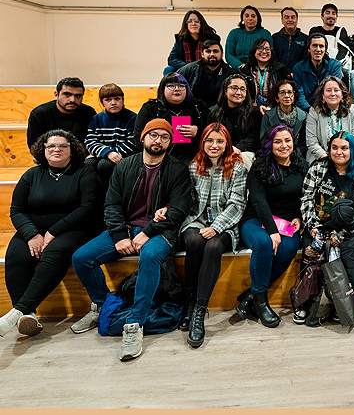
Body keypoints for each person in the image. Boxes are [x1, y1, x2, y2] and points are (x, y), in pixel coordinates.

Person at [70, 119, 191, 361]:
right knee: (82, 258)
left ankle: (135, 323)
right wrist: (119, 236)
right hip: (125, 228)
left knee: (149, 256)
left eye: (164, 137)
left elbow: (178, 210)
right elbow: (112, 204)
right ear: (143, 138)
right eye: (153, 135)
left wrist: (148, 231)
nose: (158, 140)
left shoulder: (177, 169)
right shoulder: (124, 166)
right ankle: (102, 306)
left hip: (161, 232)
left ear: (170, 142)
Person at [0, 130, 101, 338]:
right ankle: (29, 316)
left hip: (74, 228)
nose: (57, 149)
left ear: (71, 150)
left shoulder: (85, 173)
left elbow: (89, 208)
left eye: (63, 146)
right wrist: (31, 234)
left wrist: (53, 232)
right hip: (34, 230)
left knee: (55, 253)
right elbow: (17, 210)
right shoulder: (31, 175)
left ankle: (18, 311)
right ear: (43, 150)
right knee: (15, 256)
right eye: (51, 146)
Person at [178, 124, 248, 347]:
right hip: (196, 219)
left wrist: (217, 226)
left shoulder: (238, 168)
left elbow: (238, 203)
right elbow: (188, 201)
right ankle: (189, 300)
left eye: (219, 141)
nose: (214, 145)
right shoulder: (193, 166)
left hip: (226, 224)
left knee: (213, 246)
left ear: (227, 143)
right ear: (203, 143)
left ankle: (199, 310)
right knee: (194, 240)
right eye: (209, 141)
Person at [237, 126, 308, 328]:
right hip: (257, 219)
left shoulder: (301, 166)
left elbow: (303, 197)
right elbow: (259, 202)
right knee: (263, 243)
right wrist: (271, 231)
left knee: (290, 247)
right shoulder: (260, 167)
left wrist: (298, 217)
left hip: (286, 223)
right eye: (278, 141)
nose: (283, 145)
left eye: (287, 140)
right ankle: (261, 303)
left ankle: (251, 295)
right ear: (270, 144)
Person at [300, 131, 354, 325]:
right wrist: (314, 228)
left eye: (344, 148)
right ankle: (308, 303)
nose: (339, 152)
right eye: (335, 147)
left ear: (352, 150)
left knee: (346, 254)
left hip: (347, 230)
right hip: (318, 227)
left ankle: (340, 302)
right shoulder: (318, 169)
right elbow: (306, 199)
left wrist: (338, 235)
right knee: (311, 251)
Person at [134, 73, 207, 163]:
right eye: (171, 85)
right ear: (163, 89)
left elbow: (212, 132)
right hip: (157, 156)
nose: (177, 89)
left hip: (193, 157)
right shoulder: (151, 108)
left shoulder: (198, 107)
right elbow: (138, 136)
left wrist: (198, 131)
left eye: (181, 85)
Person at [308, 3, 354, 119]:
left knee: (346, 76)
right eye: (327, 13)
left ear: (336, 17)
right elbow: (315, 49)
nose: (330, 16)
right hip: (320, 63)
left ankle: (345, 105)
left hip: (337, 64)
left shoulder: (341, 31)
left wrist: (335, 65)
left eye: (333, 13)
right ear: (322, 16)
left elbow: (343, 51)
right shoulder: (314, 30)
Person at [84, 83, 137, 184]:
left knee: (105, 165)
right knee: (88, 164)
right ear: (102, 103)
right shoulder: (97, 119)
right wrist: (108, 153)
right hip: (105, 154)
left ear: (122, 100)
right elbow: (90, 141)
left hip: (124, 156)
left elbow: (132, 143)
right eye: (108, 100)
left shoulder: (132, 118)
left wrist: (111, 153)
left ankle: (107, 196)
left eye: (117, 99)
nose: (113, 103)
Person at [26, 77, 96, 148]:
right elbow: (34, 145)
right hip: (49, 156)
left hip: (82, 157)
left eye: (77, 96)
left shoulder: (89, 112)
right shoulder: (39, 114)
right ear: (56, 95)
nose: (72, 100)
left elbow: (94, 142)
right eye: (67, 94)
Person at [305, 76, 354, 163]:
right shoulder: (314, 111)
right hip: (321, 157)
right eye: (328, 90)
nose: (332, 94)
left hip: (346, 157)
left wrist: (343, 155)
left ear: (342, 94)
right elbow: (311, 142)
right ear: (323, 95)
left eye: (336, 90)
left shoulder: (352, 110)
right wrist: (326, 157)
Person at [208, 74, 261, 165]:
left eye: (242, 89)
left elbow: (254, 137)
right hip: (220, 149)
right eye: (234, 88)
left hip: (245, 152)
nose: (238, 92)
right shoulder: (213, 113)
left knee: (241, 159)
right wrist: (227, 148)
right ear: (225, 91)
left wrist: (237, 149)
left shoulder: (254, 113)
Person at [177, 39, 238, 109]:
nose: (212, 54)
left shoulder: (231, 74)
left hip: (220, 112)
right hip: (193, 111)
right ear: (202, 54)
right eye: (208, 51)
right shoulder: (190, 69)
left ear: (222, 54)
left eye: (215, 51)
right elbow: (172, 81)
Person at [291, 34, 343, 112]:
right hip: (306, 110)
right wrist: (310, 110)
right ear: (309, 49)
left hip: (329, 108)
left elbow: (334, 91)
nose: (318, 49)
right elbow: (299, 95)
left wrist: (323, 111)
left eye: (321, 46)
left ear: (325, 49)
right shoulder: (298, 68)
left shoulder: (335, 66)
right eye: (314, 46)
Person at [239, 38, 290, 112]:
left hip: (275, 109)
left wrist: (272, 107)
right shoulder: (246, 70)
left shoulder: (280, 69)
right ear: (254, 51)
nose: (264, 51)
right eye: (260, 48)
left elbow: (285, 92)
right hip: (250, 110)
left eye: (267, 49)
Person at [165, 9, 218, 74]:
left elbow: (214, 56)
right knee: (168, 69)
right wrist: (188, 67)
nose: (193, 23)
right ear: (186, 24)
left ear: (201, 23)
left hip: (205, 69)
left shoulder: (212, 38)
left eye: (196, 21)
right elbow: (172, 59)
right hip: (186, 69)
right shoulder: (181, 39)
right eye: (190, 21)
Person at [225, 5, 273, 69]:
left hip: (259, 68)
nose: (250, 18)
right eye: (247, 16)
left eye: (253, 16)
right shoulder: (234, 33)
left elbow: (269, 53)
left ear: (258, 18)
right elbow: (229, 54)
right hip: (238, 68)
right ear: (242, 18)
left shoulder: (265, 33)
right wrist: (240, 65)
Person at [260, 79, 307, 145]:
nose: (287, 96)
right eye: (282, 92)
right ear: (277, 98)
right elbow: (263, 141)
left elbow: (304, 143)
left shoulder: (303, 116)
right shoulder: (268, 116)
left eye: (290, 92)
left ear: (294, 96)